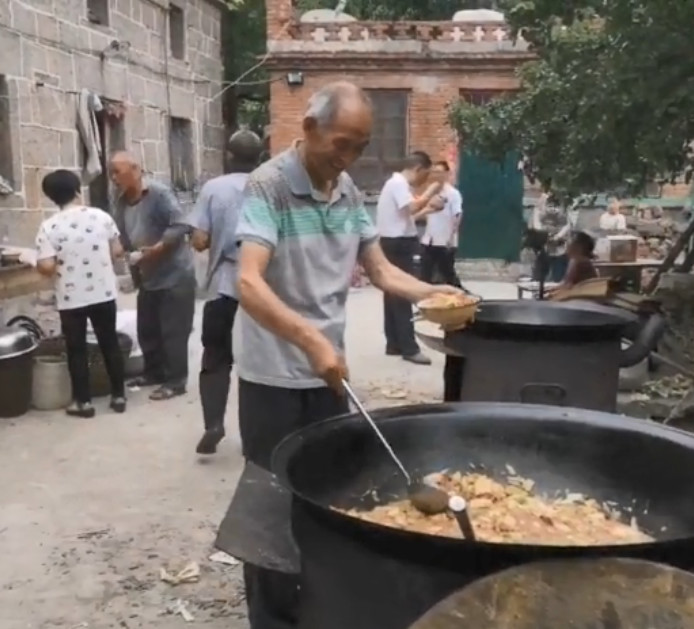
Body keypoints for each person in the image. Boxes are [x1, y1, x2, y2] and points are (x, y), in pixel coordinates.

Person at [231, 81, 461, 629]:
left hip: (328, 374)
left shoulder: (349, 190)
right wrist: (311, 338)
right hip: (273, 376)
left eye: (359, 146)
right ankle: (269, 616)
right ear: (307, 128)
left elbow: (379, 270)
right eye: (341, 143)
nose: (349, 156)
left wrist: (435, 294)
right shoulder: (268, 188)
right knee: (270, 503)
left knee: (326, 492)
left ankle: (315, 601)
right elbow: (248, 282)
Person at [187, 129, 263, 455]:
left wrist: (209, 237)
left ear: (229, 155)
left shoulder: (213, 188)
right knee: (257, 363)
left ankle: (214, 424)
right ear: (261, 157)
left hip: (224, 288)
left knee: (216, 358)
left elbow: (200, 240)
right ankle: (255, 434)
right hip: (262, 290)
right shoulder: (271, 185)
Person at [35, 169, 126, 417]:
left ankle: (82, 402)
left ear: (51, 197)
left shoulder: (49, 227)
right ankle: (119, 396)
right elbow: (117, 251)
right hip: (104, 292)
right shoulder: (101, 216)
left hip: (71, 297)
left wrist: (35, 260)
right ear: (77, 190)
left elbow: (47, 267)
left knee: (76, 349)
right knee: (109, 342)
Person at [109, 152, 196, 401]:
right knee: (148, 329)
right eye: (112, 173)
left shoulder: (159, 194)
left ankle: (176, 381)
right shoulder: (122, 201)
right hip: (147, 275)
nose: (114, 178)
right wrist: (122, 252)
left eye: (117, 171)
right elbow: (121, 236)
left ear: (135, 170)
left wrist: (157, 248)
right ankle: (154, 373)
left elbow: (181, 225)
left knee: (173, 331)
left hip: (175, 274)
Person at [376, 151, 445, 365]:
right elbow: (413, 207)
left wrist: (431, 208)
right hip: (399, 243)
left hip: (392, 241)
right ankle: (409, 347)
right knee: (404, 292)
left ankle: (394, 343)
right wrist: (432, 191)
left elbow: (409, 216)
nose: (424, 181)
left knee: (392, 293)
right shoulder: (398, 184)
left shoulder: (396, 185)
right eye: (425, 175)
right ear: (417, 169)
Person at [419, 160, 463, 288]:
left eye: (439, 172)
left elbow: (458, 215)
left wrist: (451, 236)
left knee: (448, 274)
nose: (436, 175)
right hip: (429, 240)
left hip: (445, 241)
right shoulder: (430, 191)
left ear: (446, 174)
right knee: (425, 273)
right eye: (434, 172)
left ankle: (463, 297)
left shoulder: (453, 193)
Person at [530, 192, 570, 282]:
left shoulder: (563, 217)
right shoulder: (542, 215)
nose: (553, 209)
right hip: (545, 249)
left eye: (555, 206)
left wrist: (558, 236)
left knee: (558, 276)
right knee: (539, 275)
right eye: (550, 206)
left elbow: (566, 227)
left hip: (559, 250)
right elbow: (537, 225)